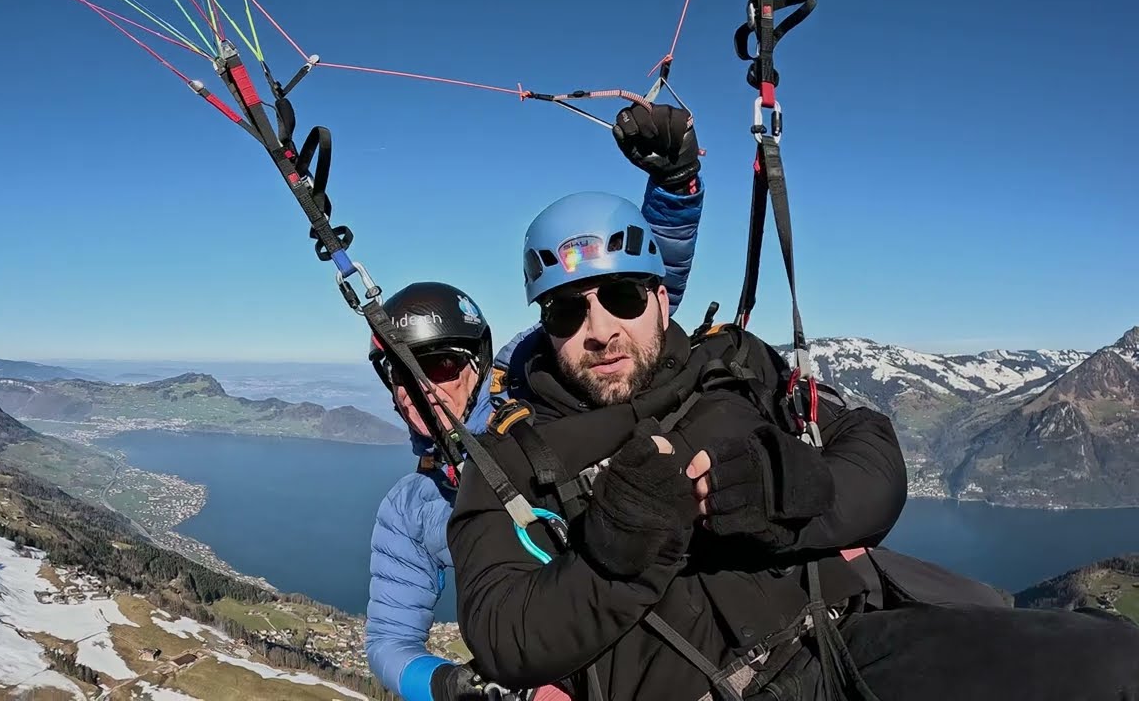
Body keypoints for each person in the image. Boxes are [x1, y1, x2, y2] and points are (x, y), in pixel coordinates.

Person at [446, 192, 1139, 701]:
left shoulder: (735, 366)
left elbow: (872, 450)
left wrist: (793, 497)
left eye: (621, 296)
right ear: (545, 324)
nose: (598, 330)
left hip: (855, 638)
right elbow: (506, 636)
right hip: (707, 690)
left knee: (1113, 663)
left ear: (662, 298)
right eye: (569, 309)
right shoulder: (510, 458)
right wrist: (616, 553)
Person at [364, 102, 705, 701]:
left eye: (439, 367)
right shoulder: (412, 510)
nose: (419, 391)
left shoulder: (531, 383)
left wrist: (675, 187)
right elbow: (389, 642)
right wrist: (453, 685)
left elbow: (631, 302)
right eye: (399, 375)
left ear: (477, 364)